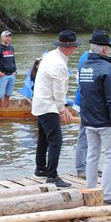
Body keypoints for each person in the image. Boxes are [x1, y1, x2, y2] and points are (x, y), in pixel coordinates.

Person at [77, 30, 111, 205]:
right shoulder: (108, 69)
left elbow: (84, 93)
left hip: (88, 119)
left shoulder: (84, 67)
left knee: (92, 155)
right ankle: (108, 195)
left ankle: (90, 190)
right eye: (108, 48)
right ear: (104, 50)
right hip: (105, 120)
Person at [31, 30, 79, 188]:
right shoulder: (59, 64)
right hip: (48, 104)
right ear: (67, 47)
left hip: (40, 102)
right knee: (56, 141)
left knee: (44, 138)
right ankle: (52, 176)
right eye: (74, 46)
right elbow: (58, 90)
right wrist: (62, 109)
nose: (76, 49)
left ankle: (40, 168)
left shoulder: (50, 55)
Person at [73, 49, 90, 178]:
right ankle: (81, 169)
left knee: (92, 136)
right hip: (85, 102)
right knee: (84, 135)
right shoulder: (87, 58)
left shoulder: (86, 56)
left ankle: (89, 166)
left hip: (85, 101)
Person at [0, 30, 17, 108]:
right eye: (6, 36)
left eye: (9, 37)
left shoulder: (11, 48)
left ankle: (5, 112)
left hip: (12, 75)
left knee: (7, 95)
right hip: (3, 76)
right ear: (2, 38)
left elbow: (13, 60)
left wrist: (15, 70)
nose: (8, 38)